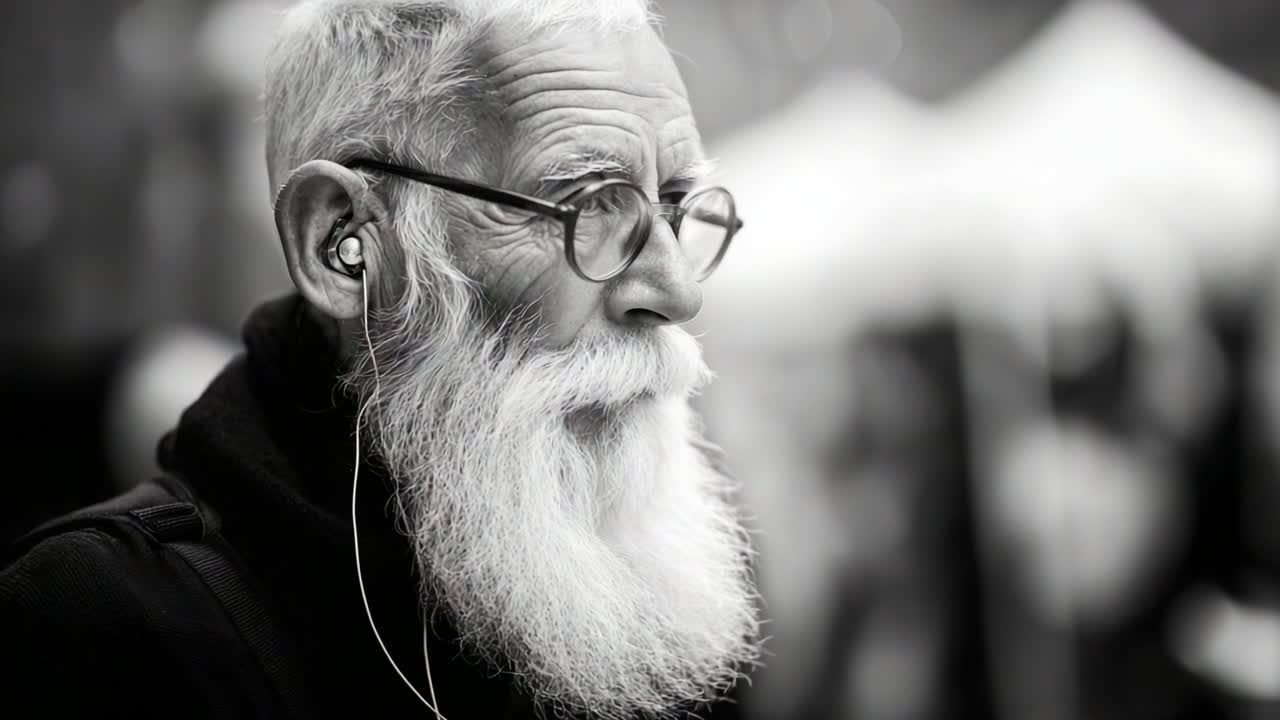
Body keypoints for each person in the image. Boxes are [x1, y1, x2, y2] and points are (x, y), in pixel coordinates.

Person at [0, 1, 762, 718]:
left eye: (675, 205)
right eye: (588, 203)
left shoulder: (647, 606)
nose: (676, 290)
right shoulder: (99, 631)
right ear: (342, 243)